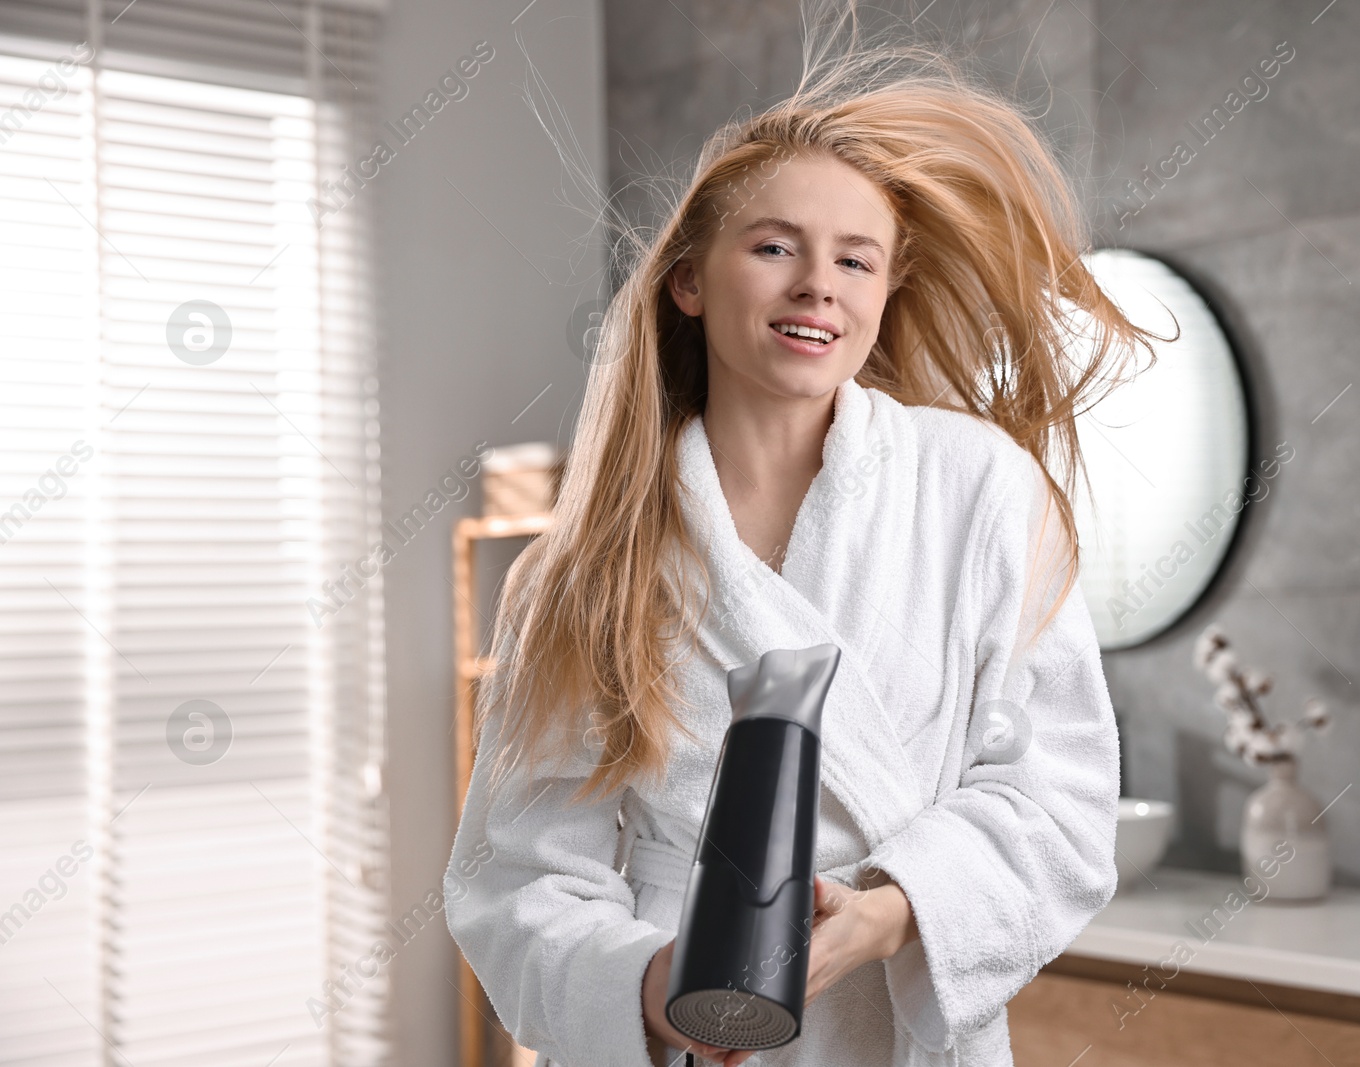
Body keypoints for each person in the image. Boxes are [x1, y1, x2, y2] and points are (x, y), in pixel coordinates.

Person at [445, 8, 1160, 1066]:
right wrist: (655, 983)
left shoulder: (980, 490)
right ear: (688, 280)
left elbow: (1058, 796)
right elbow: (518, 879)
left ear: (882, 293)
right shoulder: (579, 571)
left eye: (856, 259)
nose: (817, 283)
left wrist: (891, 907)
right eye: (773, 246)